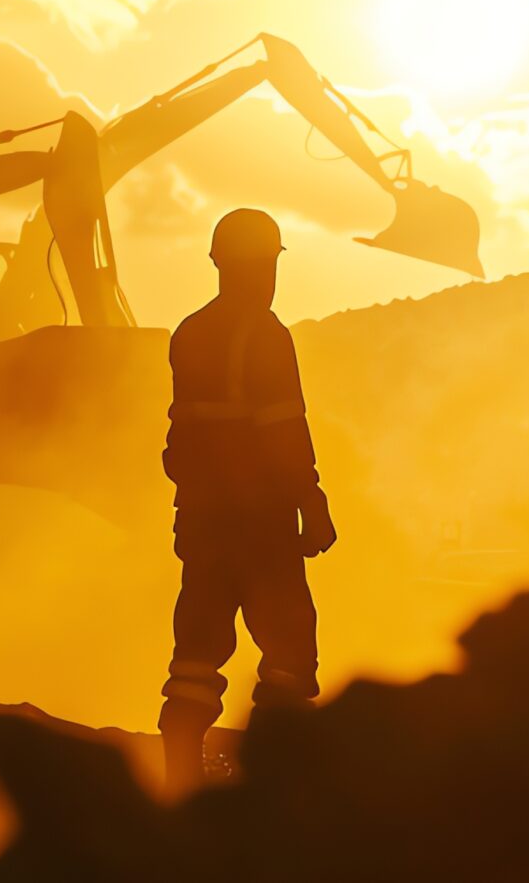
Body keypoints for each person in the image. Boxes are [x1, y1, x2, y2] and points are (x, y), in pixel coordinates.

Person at [159, 207, 336, 789]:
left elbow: (177, 444)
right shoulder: (265, 334)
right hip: (261, 525)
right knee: (288, 653)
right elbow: (285, 430)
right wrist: (310, 500)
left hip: (205, 522)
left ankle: (179, 778)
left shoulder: (190, 334)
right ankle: (278, 786)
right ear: (262, 266)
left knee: (196, 655)